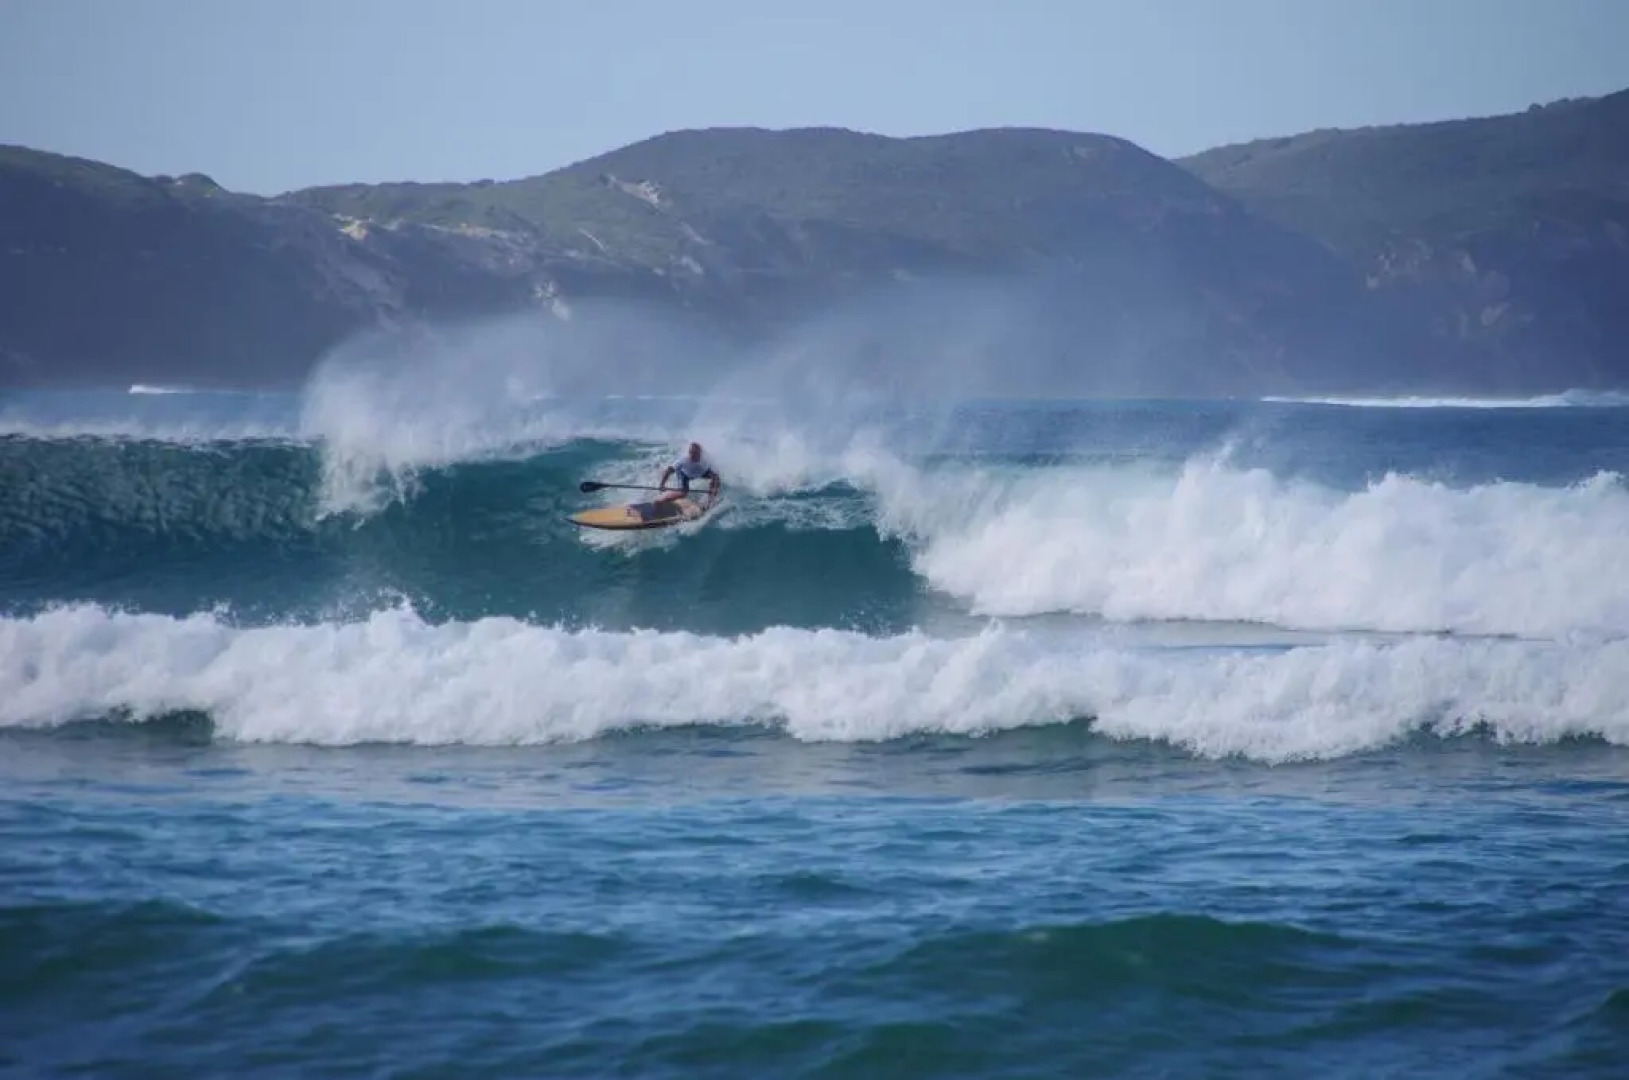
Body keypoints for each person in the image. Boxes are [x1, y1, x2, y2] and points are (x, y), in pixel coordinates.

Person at [657, 442, 721, 507]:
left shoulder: (707, 459)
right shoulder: (683, 460)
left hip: (702, 473)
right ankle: (661, 500)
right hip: (685, 474)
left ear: (700, 453)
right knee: (682, 493)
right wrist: (662, 484)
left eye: (695, 454)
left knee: (716, 482)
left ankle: (709, 502)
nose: (692, 456)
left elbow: (715, 475)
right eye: (691, 454)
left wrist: (714, 488)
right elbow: (669, 470)